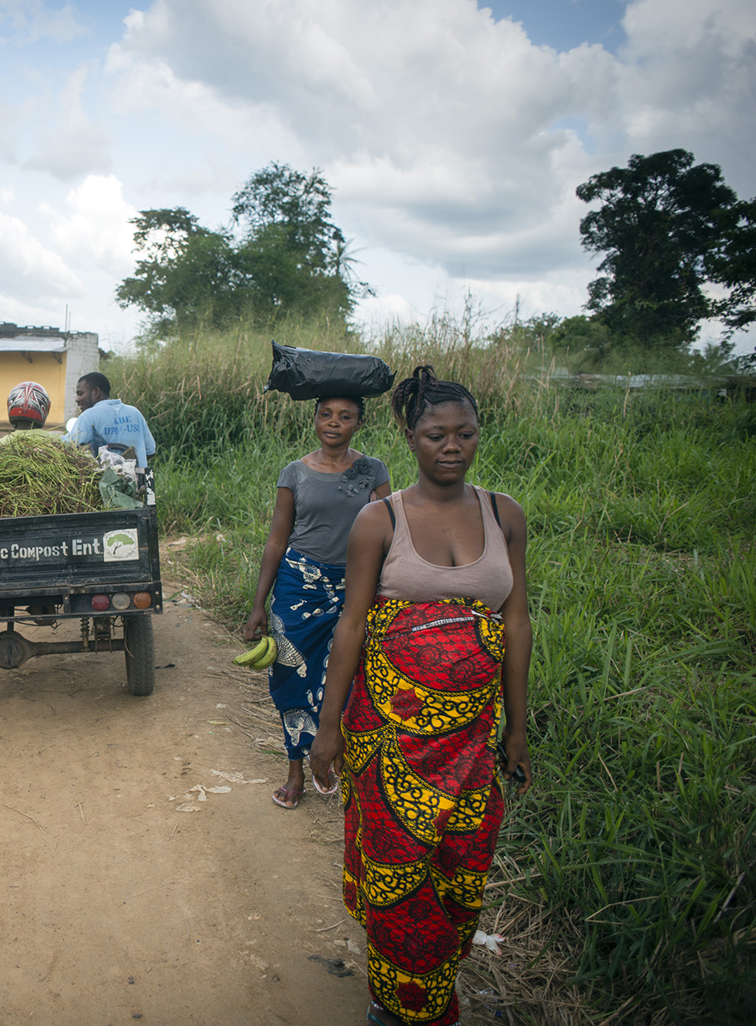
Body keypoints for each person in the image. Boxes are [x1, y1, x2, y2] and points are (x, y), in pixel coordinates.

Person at [308, 367, 533, 1026]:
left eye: (466, 433)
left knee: (462, 871)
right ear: (410, 437)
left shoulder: (505, 515)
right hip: (389, 740)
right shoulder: (380, 521)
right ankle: (400, 1005)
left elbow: (517, 622)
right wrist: (327, 728)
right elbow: (351, 625)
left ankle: (430, 982)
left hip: (474, 739)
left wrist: (517, 728)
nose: (452, 446)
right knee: (399, 873)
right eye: (436, 434)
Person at [245, 396, 391, 811]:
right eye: (326, 414)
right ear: (314, 420)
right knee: (290, 677)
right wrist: (259, 603)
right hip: (297, 588)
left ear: (359, 424)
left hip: (355, 587)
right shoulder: (294, 472)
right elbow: (277, 539)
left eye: (345, 416)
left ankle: (338, 763)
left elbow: (390, 532)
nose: (334, 423)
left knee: (351, 679)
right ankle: (295, 772)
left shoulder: (373, 470)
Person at [63, 372, 156, 468]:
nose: (77, 399)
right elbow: (150, 451)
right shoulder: (135, 413)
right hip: (138, 476)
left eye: (80, 394)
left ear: (96, 392)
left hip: (103, 477)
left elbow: (65, 447)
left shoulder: (88, 416)